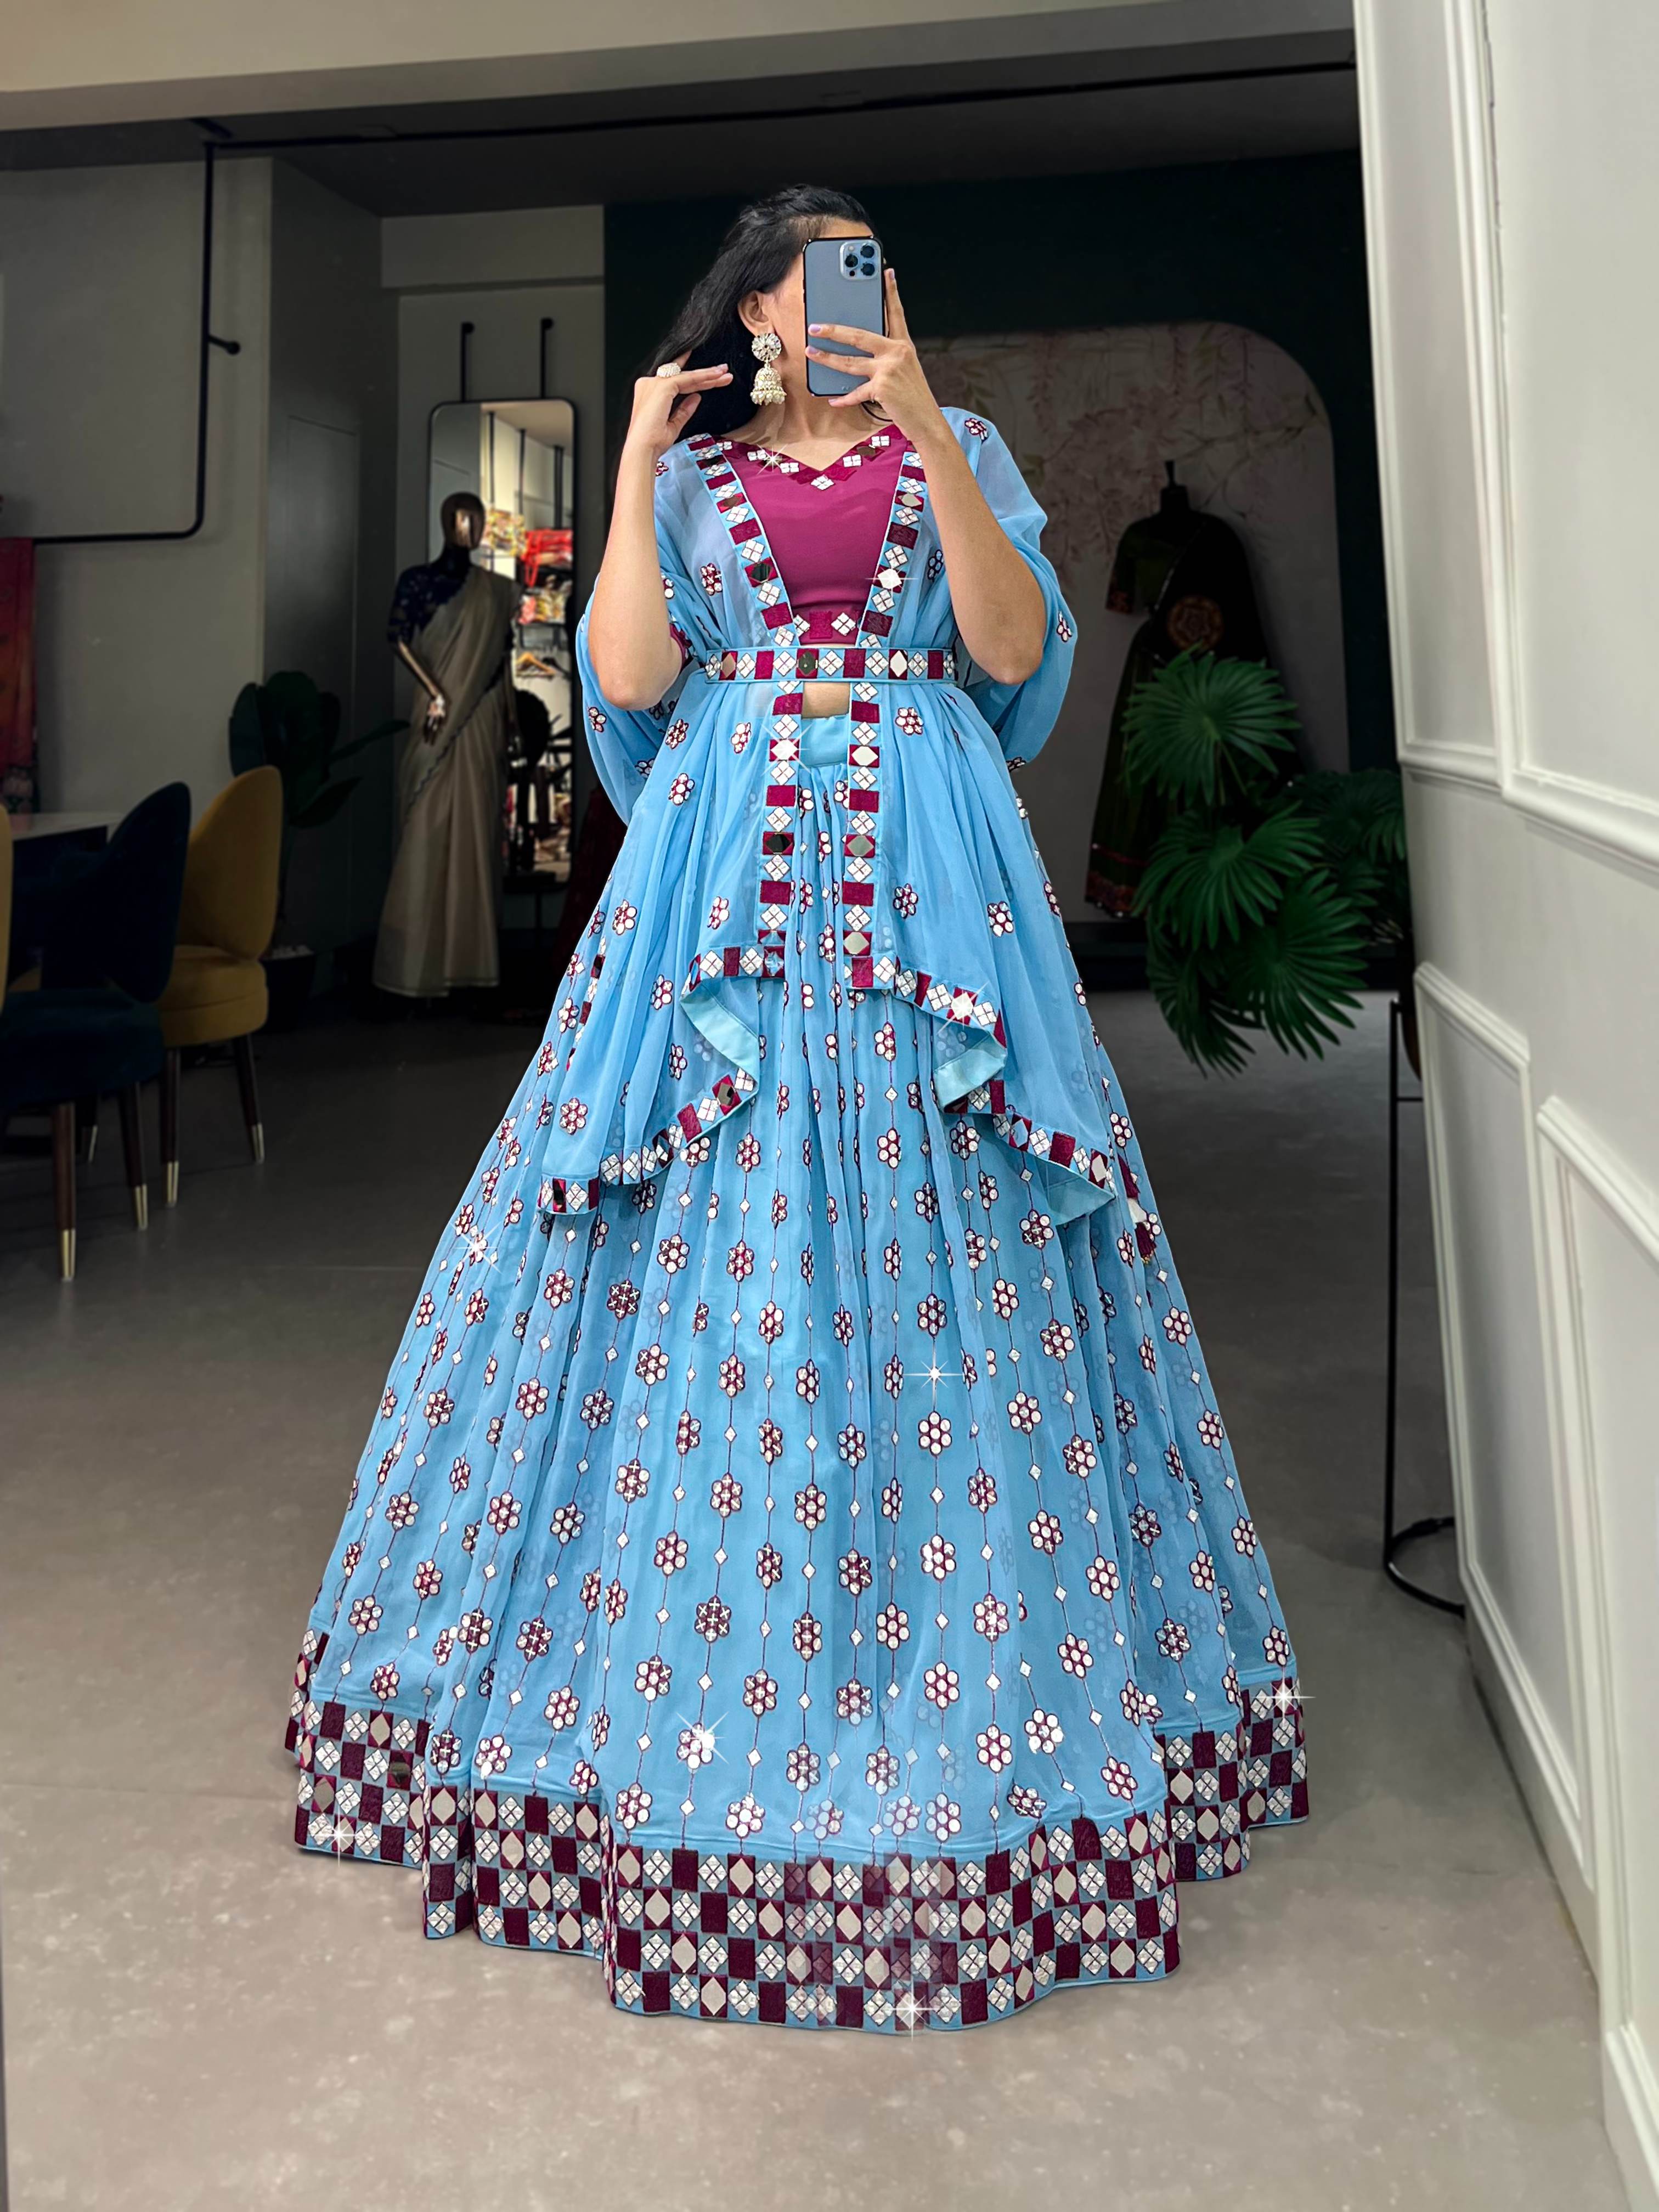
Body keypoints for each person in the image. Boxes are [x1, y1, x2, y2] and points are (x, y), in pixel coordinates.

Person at [286, 185, 1306, 2034]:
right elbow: (626, 683)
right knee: (701, 1240)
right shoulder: (688, 474)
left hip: (928, 871)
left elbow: (1011, 653)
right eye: (825, 269)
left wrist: (926, 424)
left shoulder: (954, 439)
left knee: (960, 1246)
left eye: (875, 267)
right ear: (756, 305)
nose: (856, 293)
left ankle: (982, 1687)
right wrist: (625, 478)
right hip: (720, 882)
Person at [374, 491, 518, 1000]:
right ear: (445, 522)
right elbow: (397, 638)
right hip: (437, 718)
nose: (471, 528)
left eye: (478, 520)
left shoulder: (496, 591)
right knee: (425, 829)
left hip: (482, 717)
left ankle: (472, 966)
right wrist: (436, 693)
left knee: (478, 831)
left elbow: (502, 659)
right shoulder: (418, 581)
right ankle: (413, 969)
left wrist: (511, 718)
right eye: (463, 519)